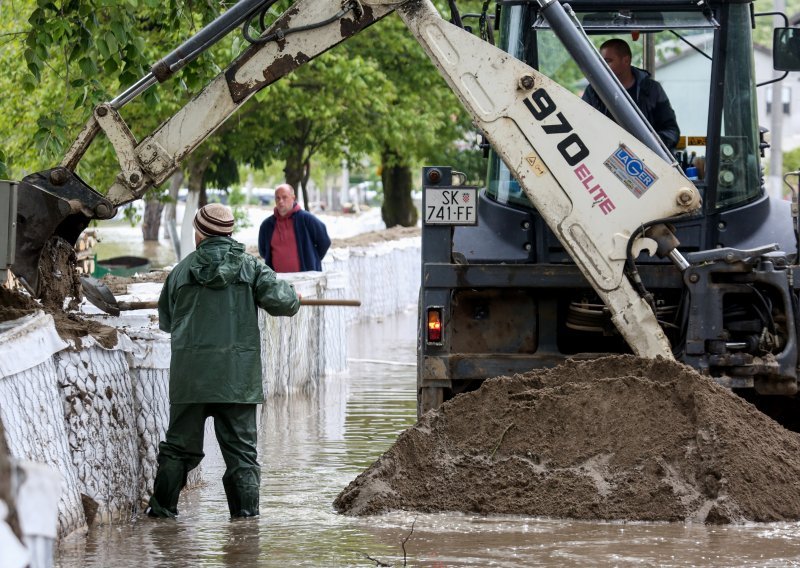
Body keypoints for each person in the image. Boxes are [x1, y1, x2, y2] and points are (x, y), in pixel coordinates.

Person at [147, 203, 301, 519]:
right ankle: (245, 527)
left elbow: (167, 321)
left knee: (177, 449)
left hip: (190, 379)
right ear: (230, 232)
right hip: (238, 381)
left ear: (199, 233)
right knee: (242, 456)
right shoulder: (251, 268)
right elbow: (287, 304)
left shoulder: (179, 271)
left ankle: (162, 516)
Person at [582, 38, 680, 151]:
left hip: (646, 162)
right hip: (604, 158)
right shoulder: (594, 90)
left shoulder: (652, 89)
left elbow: (672, 131)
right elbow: (583, 126)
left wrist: (656, 141)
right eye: (601, 61)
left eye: (608, 61)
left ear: (626, 60)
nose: (603, 65)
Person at [258, 183, 331, 272]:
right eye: (278, 198)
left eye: (284, 197)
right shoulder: (267, 225)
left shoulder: (306, 219)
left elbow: (324, 241)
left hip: (306, 279)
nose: (281, 201)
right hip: (277, 282)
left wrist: (313, 259)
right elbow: (263, 251)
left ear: (293, 198)